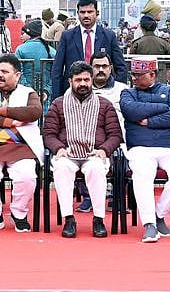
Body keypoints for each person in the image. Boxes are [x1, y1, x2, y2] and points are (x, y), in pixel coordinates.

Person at [43, 62, 122, 238]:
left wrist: (104, 150)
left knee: (95, 168)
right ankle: (69, 219)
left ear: (91, 80)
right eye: (78, 80)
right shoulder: (58, 104)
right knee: (62, 168)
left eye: (86, 79)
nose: (83, 83)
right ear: (70, 81)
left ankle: (98, 219)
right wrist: (59, 148)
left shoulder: (104, 104)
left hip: (95, 153)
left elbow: (115, 135)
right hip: (67, 153)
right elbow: (48, 134)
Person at [0, 54, 44, 233]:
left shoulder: (28, 92)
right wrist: (9, 121)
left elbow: (34, 112)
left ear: (17, 75)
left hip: (21, 148)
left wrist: (2, 111)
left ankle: (19, 214)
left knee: (27, 175)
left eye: (5, 71)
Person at [120, 58, 170, 243]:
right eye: (133, 74)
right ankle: (149, 223)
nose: (134, 78)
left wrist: (150, 121)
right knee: (142, 174)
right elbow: (131, 111)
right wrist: (164, 108)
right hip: (141, 148)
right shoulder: (128, 93)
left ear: (152, 74)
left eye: (138, 75)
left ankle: (159, 214)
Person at [51, 0, 127, 100]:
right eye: (82, 12)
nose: (86, 15)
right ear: (78, 13)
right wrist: (57, 98)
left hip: (103, 93)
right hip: (73, 92)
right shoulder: (67, 36)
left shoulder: (109, 36)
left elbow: (121, 67)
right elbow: (57, 69)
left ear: (97, 13)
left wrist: (114, 89)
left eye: (90, 12)